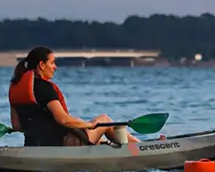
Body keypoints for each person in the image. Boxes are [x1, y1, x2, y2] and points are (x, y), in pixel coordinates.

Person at [8, 46, 139, 146]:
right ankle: (140, 148)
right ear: (42, 65)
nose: (55, 67)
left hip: (34, 146)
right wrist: (89, 124)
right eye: (52, 63)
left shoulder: (16, 89)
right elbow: (63, 120)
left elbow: (17, 126)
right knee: (104, 120)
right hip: (63, 145)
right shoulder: (45, 88)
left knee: (100, 140)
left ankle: (133, 146)